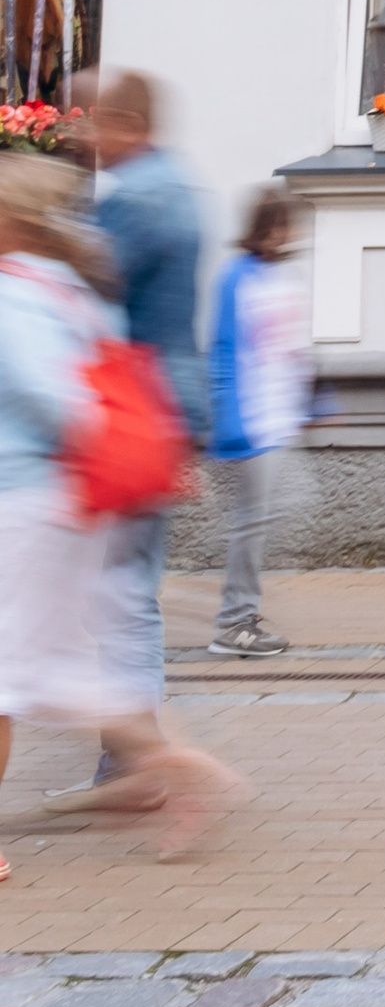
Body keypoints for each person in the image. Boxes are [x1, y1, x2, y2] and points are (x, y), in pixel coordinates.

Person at [0, 152, 243, 873]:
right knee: (50, 667)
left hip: (29, 500)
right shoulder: (75, 288)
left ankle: (176, 764)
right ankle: (173, 766)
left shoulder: (14, 294)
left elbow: (56, 398)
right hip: (70, 502)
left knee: (11, 672)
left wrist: (91, 447)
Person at [62, 69, 206, 724]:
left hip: (137, 406)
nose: (87, 134)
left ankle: (133, 758)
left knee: (120, 590)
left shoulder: (134, 201)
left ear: (126, 125)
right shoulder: (178, 188)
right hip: (170, 401)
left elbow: (88, 295)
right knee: (127, 584)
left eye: (93, 121)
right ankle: (128, 749)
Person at [205, 189, 308, 662]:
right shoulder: (236, 279)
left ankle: (238, 612)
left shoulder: (280, 278)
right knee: (252, 522)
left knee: (268, 515)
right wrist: (230, 419)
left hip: (278, 420)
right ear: (259, 229)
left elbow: (290, 350)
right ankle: (234, 621)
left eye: (288, 228)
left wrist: (311, 403)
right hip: (251, 422)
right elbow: (224, 351)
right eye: (276, 227)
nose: (284, 236)